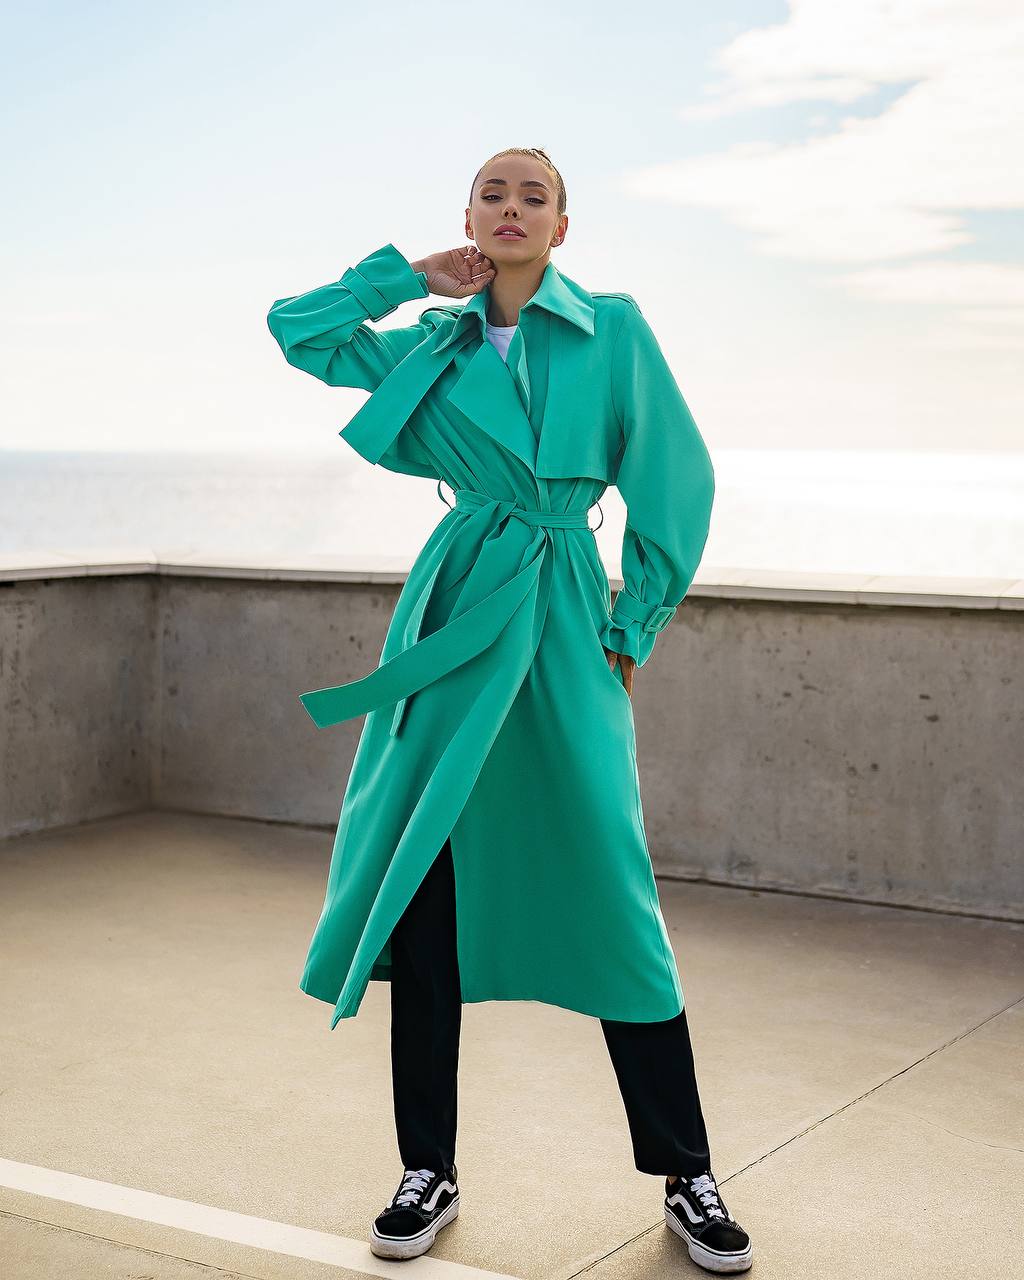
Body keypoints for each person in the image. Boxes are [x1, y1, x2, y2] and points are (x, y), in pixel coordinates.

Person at [267, 147, 753, 1273]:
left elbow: (676, 478)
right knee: (424, 883)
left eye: (534, 194)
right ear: (469, 222)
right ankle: (424, 1165)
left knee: (611, 883)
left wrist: (631, 629)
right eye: (493, 192)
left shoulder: (612, 326)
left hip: (562, 611)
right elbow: (297, 328)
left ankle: (686, 1169)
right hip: (452, 612)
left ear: (563, 226)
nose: (512, 206)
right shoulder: (432, 341)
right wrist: (403, 277)